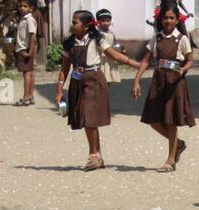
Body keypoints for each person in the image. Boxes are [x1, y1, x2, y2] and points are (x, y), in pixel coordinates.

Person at [53, 11, 140, 171]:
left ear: (86, 26)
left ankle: (93, 154)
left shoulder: (97, 40)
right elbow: (64, 69)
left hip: (94, 80)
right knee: (87, 118)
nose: (72, 25)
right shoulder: (69, 43)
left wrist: (136, 65)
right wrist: (59, 90)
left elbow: (114, 55)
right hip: (77, 81)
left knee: (88, 117)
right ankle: (98, 155)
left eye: (75, 22)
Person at [132, 4, 196, 173]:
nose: (168, 21)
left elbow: (190, 59)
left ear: (177, 20)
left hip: (175, 82)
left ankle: (170, 159)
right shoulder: (157, 38)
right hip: (159, 81)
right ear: (161, 19)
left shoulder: (181, 39)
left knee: (171, 121)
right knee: (153, 120)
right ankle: (178, 144)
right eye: (165, 18)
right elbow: (146, 60)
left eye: (171, 18)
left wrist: (184, 69)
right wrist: (136, 80)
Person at [14, 0, 40, 107]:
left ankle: (26, 97)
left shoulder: (29, 20)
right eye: (20, 6)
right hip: (23, 48)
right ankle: (30, 96)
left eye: (25, 6)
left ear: (31, 8)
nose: (22, 8)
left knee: (27, 74)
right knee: (29, 73)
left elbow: (32, 36)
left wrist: (30, 51)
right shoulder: (23, 19)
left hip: (25, 48)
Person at [95, 9, 123, 85]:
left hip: (110, 58)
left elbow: (114, 43)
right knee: (100, 80)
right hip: (101, 59)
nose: (106, 23)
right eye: (103, 21)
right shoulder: (98, 34)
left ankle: (105, 95)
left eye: (108, 20)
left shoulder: (111, 33)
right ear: (98, 22)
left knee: (108, 79)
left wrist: (120, 50)